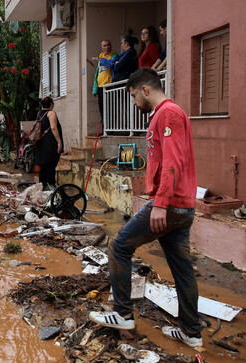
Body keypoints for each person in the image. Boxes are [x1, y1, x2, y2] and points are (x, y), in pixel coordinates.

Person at [90, 68, 201, 348]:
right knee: (182, 270)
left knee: (119, 247)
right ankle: (191, 332)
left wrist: (161, 204)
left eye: (133, 96)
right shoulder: (165, 115)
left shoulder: (169, 114)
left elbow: (173, 163)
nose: (134, 103)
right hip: (177, 206)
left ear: (145, 90)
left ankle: (123, 313)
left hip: (170, 205)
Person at [34, 97, 64, 190]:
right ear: (51, 104)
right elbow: (53, 128)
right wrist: (59, 142)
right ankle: (51, 189)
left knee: (43, 167)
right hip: (49, 144)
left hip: (40, 143)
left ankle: (42, 188)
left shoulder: (39, 113)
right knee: (51, 166)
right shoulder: (51, 113)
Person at [91, 40, 118, 130]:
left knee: (110, 108)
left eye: (108, 45)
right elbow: (97, 73)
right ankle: (104, 128)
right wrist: (95, 89)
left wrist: (100, 60)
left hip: (109, 85)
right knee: (102, 108)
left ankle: (110, 129)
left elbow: (111, 63)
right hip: (100, 86)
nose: (107, 47)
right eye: (105, 46)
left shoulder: (114, 54)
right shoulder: (101, 55)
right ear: (102, 47)